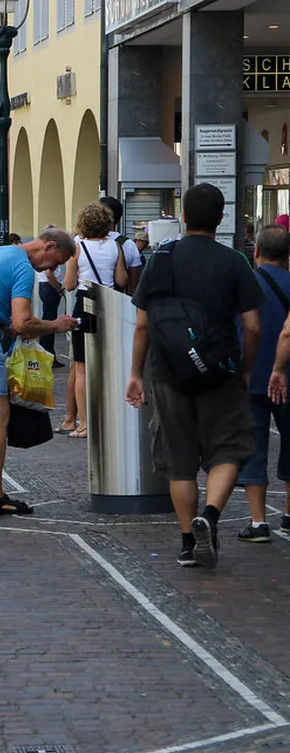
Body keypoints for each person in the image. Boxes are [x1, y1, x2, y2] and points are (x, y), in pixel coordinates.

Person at [127, 184, 264, 569]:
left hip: (168, 373)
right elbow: (253, 326)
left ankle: (189, 541)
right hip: (220, 372)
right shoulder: (235, 261)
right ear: (221, 219)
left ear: (183, 216)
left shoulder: (161, 258)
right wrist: (247, 366)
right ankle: (212, 516)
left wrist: (136, 373)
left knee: (179, 460)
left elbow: (142, 325)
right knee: (229, 448)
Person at [0, 228, 79, 516]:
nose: (54, 269)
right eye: (57, 262)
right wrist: (56, 325)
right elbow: (23, 321)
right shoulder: (22, 266)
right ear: (48, 246)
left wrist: (9, 326)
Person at [237, 225, 290, 543]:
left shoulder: (246, 286)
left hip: (252, 377)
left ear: (255, 252)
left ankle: (258, 522)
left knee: (254, 447)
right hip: (288, 379)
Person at [61, 202, 128, 438]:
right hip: (108, 304)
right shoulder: (115, 246)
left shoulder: (77, 246)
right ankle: (108, 419)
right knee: (107, 364)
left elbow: (69, 284)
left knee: (81, 367)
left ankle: (85, 423)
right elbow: (121, 280)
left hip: (84, 302)